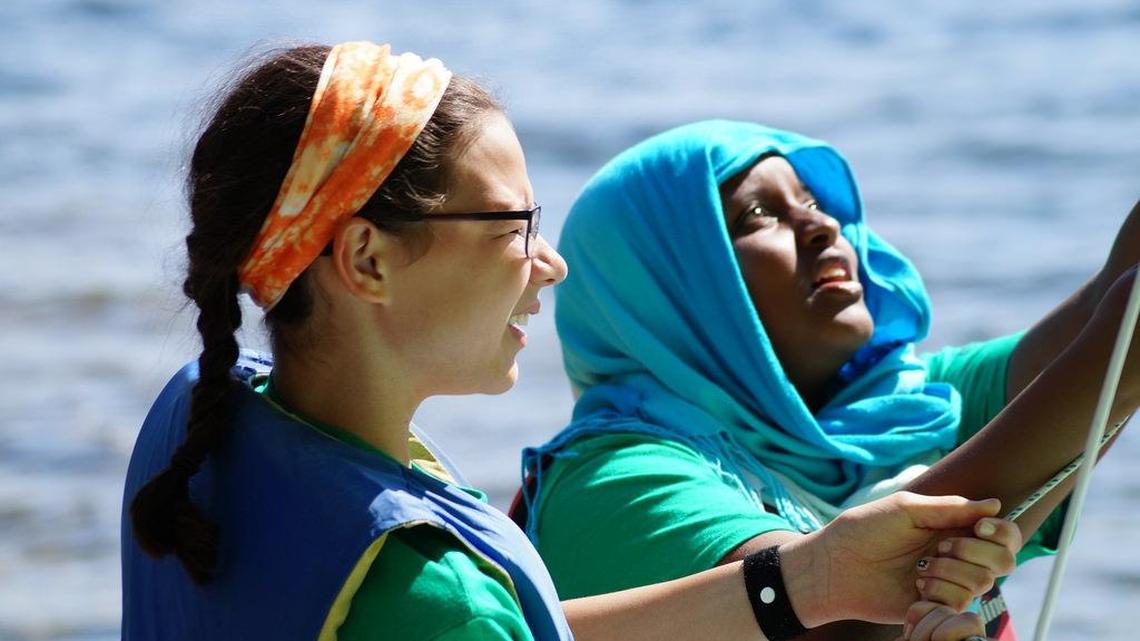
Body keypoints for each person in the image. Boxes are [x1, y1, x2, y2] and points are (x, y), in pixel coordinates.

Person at [121, 44, 1019, 641]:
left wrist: (812, 578)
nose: (548, 265)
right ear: (366, 257)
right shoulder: (430, 595)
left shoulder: (199, 423)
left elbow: (516, 623)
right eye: (513, 225)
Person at [519, 120, 1139, 640]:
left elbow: (1104, 327)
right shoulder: (614, 479)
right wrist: (1117, 347)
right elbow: (824, 622)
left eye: (813, 202)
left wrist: (1118, 340)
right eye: (757, 215)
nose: (822, 227)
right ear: (666, 292)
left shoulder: (903, 411)